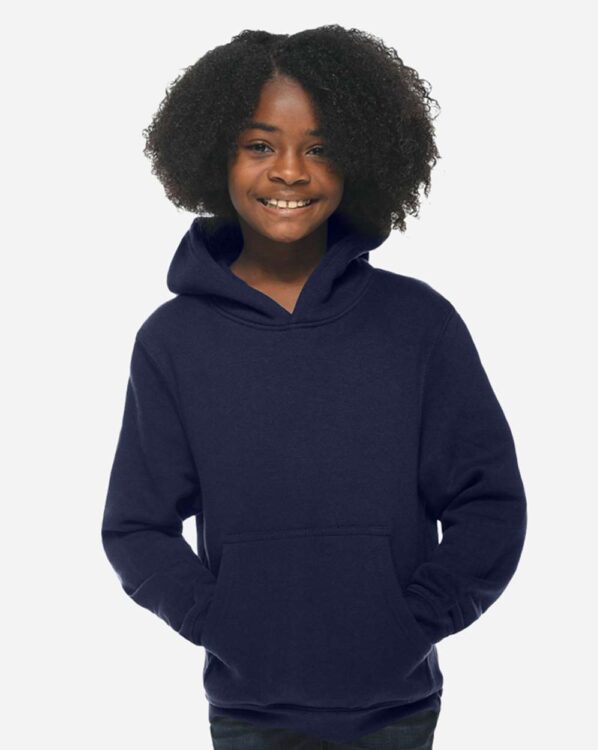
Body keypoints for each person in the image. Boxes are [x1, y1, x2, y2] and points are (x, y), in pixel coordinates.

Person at [101, 25, 527, 750]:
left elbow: (489, 504)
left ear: (360, 158)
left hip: (397, 710)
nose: (290, 172)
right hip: (250, 713)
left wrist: (412, 621)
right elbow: (136, 527)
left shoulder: (418, 323)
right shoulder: (173, 341)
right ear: (215, 155)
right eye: (259, 145)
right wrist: (221, 623)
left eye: (321, 147)